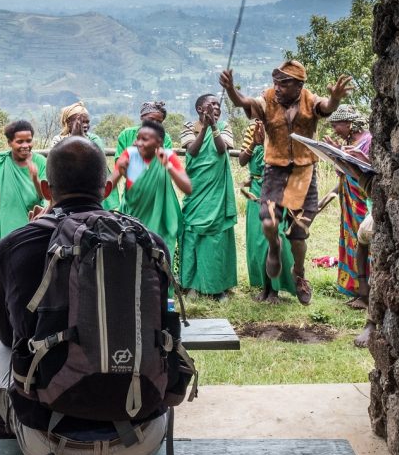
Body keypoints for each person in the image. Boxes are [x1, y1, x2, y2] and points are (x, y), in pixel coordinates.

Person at [0, 136, 176, 455]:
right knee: (155, 354)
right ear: (107, 189)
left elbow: (7, 333)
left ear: (46, 191)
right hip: (139, 440)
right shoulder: (149, 243)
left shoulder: (16, 245)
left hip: (47, 442)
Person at [220, 60, 353, 305]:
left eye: (284, 84)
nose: (278, 88)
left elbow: (327, 106)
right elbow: (245, 102)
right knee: (268, 219)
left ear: (298, 85)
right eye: (276, 83)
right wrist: (230, 90)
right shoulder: (267, 100)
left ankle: (299, 274)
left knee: (298, 234)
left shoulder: (309, 100)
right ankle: (273, 246)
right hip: (275, 170)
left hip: (304, 172)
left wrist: (335, 98)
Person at [178, 94, 238, 299]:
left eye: (217, 104)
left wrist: (214, 127)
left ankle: (217, 286)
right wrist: (204, 127)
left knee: (216, 240)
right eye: (211, 104)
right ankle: (193, 284)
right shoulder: (188, 127)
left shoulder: (225, 127)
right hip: (196, 192)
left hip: (217, 194)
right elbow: (192, 152)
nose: (216, 107)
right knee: (193, 236)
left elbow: (222, 150)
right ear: (199, 109)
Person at [108, 119, 191, 260]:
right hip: (132, 224)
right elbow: (108, 187)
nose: (138, 143)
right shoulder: (129, 154)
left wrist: (168, 166)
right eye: (138, 138)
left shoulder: (168, 156)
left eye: (144, 140)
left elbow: (187, 188)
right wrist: (119, 172)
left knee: (158, 267)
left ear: (158, 142)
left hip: (161, 226)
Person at [239, 120, 297, 302]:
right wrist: (255, 142)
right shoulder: (251, 129)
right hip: (256, 189)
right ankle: (264, 287)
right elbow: (242, 161)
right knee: (258, 241)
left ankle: (275, 290)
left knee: (275, 237)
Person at [323, 106, 373, 309]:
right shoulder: (348, 143)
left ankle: (368, 290)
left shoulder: (367, 142)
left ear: (349, 124)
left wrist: (344, 157)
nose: (334, 128)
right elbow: (343, 175)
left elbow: (367, 172)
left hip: (362, 201)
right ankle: (356, 288)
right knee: (352, 241)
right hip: (349, 204)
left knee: (365, 243)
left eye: (337, 124)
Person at [0, 120, 47, 243]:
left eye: (29, 141)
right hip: (9, 226)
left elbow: (45, 196)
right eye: (19, 142)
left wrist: (35, 179)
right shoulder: (0, 162)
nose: (25, 145)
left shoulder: (40, 161)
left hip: (34, 225)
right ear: (9, 143)